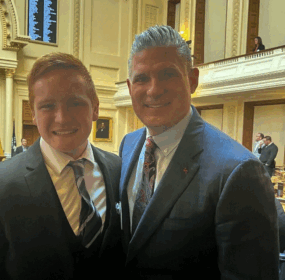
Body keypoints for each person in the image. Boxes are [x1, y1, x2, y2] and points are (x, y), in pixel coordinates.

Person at [118, 25, 279, 279]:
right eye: (141, 78)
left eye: (167, 74)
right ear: (129, 87)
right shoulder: (128, 145)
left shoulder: (238, 170)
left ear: (192, 80)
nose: (153, 89)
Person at [0, 52, 123, 279]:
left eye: (75, 102)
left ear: (95, 108)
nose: (62, 117)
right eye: (47, 106)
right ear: (34, 114)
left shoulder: (119, 170)